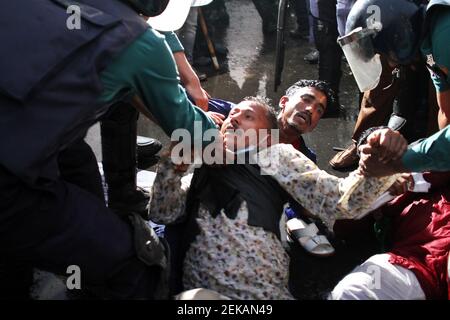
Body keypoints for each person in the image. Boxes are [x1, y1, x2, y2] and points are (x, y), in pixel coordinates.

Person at [0, 0, 217, 299]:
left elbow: (149, 33)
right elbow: (191, 129)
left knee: (80, 167)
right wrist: (242, 138)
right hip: (12, 181)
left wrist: (184, 76)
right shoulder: (140, 42)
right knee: (138, 260)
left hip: (26, 134)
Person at [149, 84, 399, 299]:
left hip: (260, 291)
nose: (234, 118)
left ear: (267, 138)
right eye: (232, 115)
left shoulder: (275, 156)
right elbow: (163, 214)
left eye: (248, 116)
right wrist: (172, 165)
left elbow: (340, 202)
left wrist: (374, 170)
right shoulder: (200, 169)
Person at [338, 0, 450, 175]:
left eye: (383, 54)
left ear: (400, 33)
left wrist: (401, 164)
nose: (390, 63)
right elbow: (446, 111)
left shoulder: (445, 36)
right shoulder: (430, 40)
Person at [330, 171, 450, 300]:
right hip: (415, 266)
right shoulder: (418, 181)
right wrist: (381, 189)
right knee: (352, 292)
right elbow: (344, 223)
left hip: (423, 270)